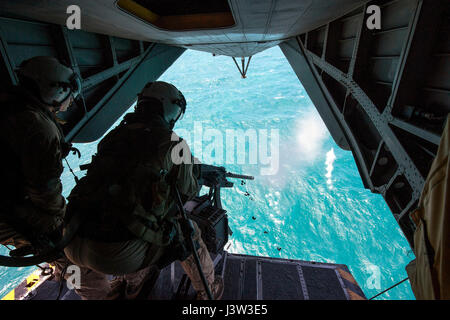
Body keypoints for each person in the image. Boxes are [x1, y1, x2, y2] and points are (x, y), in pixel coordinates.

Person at [63, 81, 223, 300]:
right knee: (186, 229)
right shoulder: (173, 143)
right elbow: (188, 189)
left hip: (71, 241)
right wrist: (196, 174)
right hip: (115, 255)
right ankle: (208, 291)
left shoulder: (113, 137)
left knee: (130, 214)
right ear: (170, 109)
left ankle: (125, 287)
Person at [0, 56, 81, 260]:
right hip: (9, 209)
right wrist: (61, 217)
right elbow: (44, 190)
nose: (71, 100)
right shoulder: (39, 129)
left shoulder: (9, 106)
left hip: (8, 202)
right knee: (70, 247)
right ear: (57, 91)